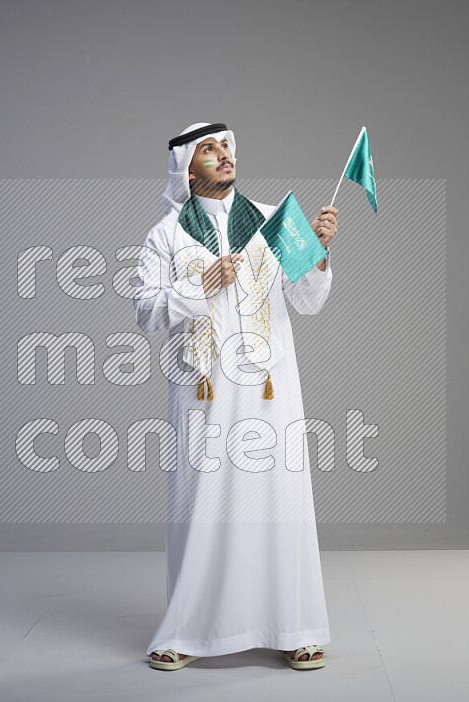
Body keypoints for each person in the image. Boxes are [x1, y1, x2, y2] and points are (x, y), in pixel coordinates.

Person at [133, 122, 338, 671]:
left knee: (280, 499)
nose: (223, 155)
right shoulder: (167, 234)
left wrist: (316, 254)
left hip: (271, 391)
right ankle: (187, 629)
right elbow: (146, 313)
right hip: (201, 393)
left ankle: (294, 626)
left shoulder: (275, 220)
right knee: (200, 506)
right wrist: (199, 287)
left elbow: (308, 300)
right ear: (186, 167)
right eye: (208, 149)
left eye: (226, 145)